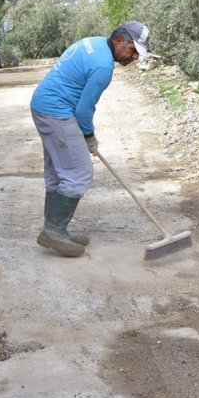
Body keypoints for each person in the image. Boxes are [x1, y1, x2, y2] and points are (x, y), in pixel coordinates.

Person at [29, 21, 150, 257]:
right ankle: (53, 232)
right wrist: (89, 136)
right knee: (79, 173)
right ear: (118, 41)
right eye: (133, 50)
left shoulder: (94, 43)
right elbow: (84, 110)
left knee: (59, 172)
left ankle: (56, 229)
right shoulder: (104, 66)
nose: (134, 57)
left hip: (43, 105)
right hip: (56, 111)